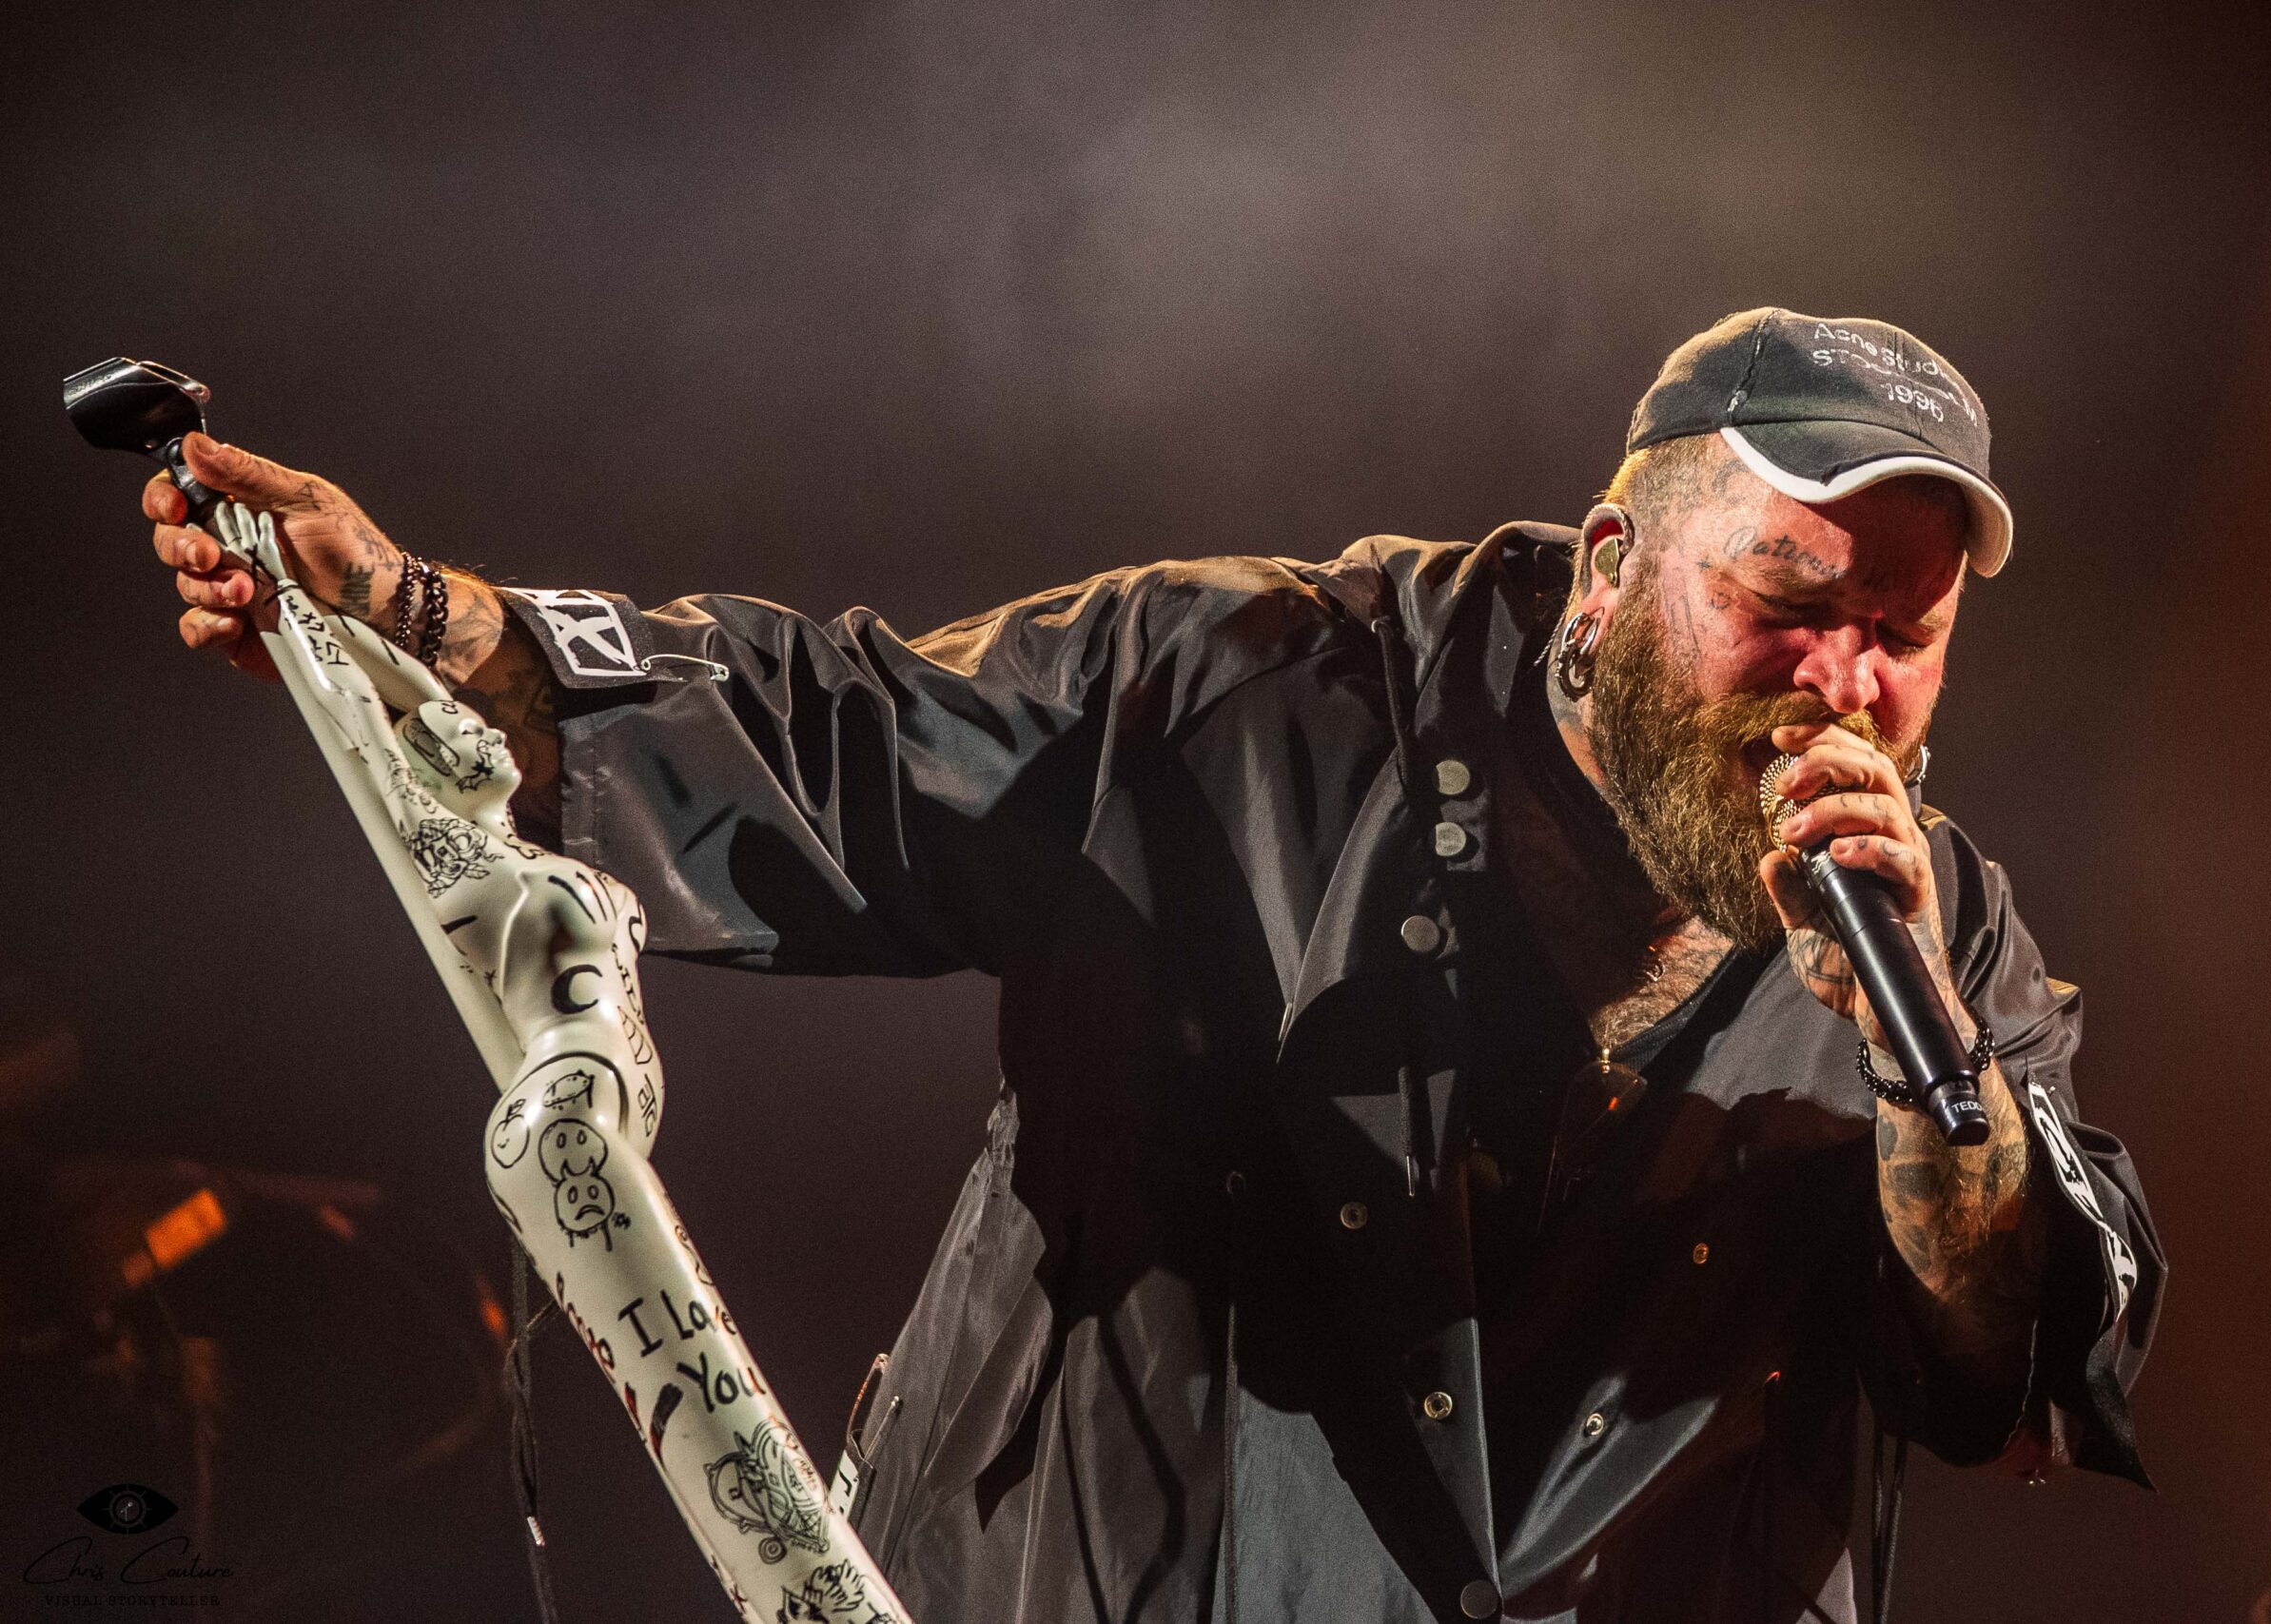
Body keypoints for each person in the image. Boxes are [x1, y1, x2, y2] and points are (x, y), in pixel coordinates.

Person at [144, 308, 2163, 1624]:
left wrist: (1931, 1073)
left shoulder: (1937, 939)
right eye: (1789, 596)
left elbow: (2028, 1339)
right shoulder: (1246, 693)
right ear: (1611, 561)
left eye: (1901, 627)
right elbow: (843, 737)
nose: (1843, 679)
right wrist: (439, 621)